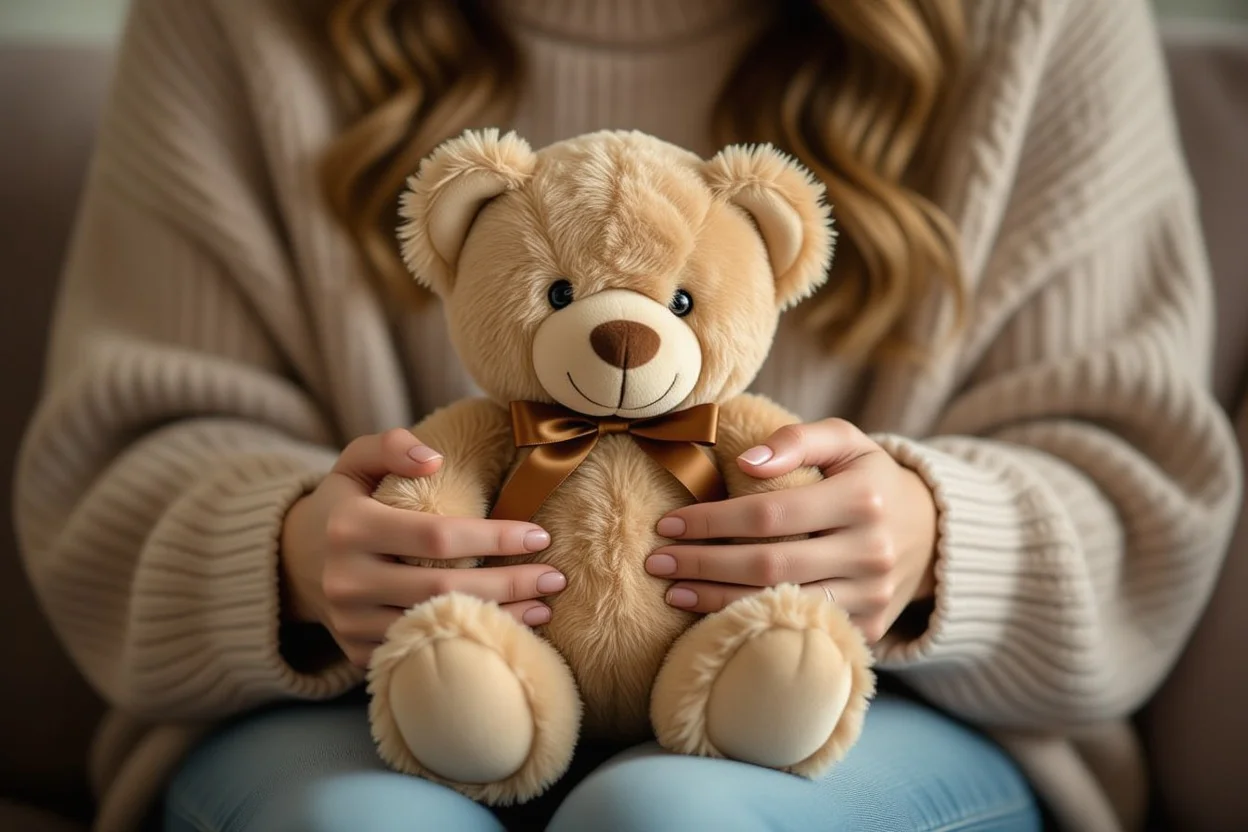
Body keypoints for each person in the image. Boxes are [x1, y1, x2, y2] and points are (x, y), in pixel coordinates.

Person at [13, 0, 1243, 829]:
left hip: (872, 723)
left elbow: (1138, 482)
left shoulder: (1034, 19)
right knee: (360, 823)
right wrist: (289, 555)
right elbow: (119, 464)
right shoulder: (236, 19)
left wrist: (932, 544)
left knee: (670, 815)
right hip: (353, 711)